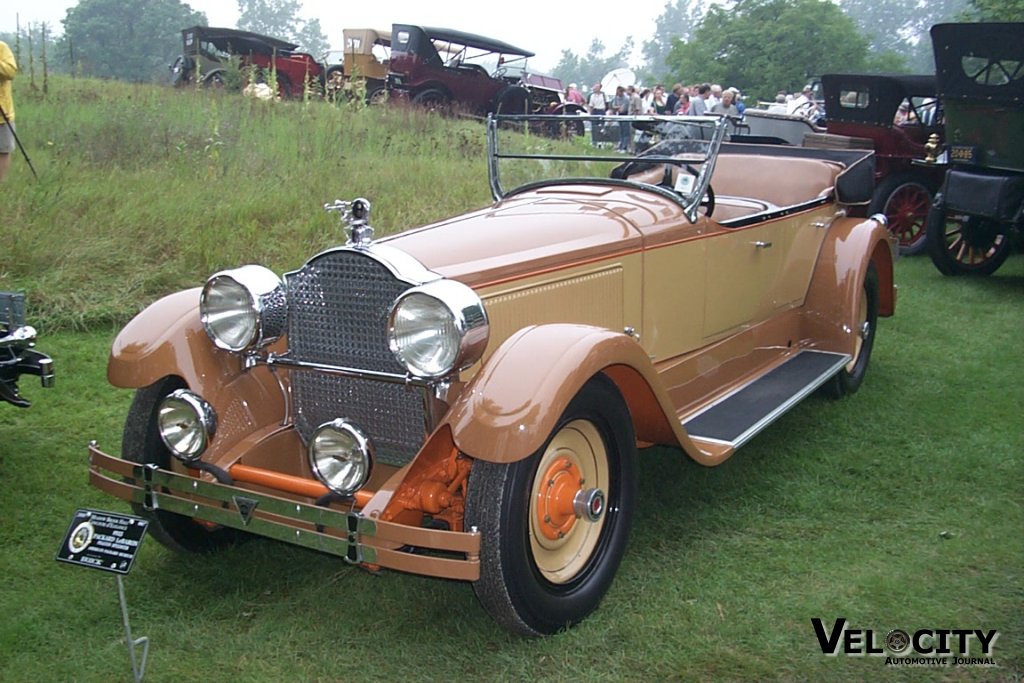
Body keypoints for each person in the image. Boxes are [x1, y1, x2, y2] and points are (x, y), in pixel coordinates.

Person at [0, 40, 17, 182]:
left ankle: (1, 185)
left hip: (2, 113)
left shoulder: (2, 47)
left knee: (3, 150)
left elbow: (11, 71)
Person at [609, 85, 630, 151]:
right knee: (620, 132)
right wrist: (618, 107)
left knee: (625, 132)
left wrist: (618, 107)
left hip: (625, 116)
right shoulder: (616, 98)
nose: (617, 93)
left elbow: (623, 109)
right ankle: (620, 146)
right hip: (619, 116)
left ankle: (624, 147)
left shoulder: (626, 99)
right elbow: (613, 106)